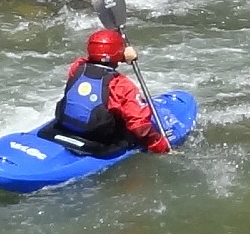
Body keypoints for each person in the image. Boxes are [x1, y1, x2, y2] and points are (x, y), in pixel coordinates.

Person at [42, 30, 170, 156]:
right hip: (99, 138)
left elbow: (89, 61)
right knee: (127, 121)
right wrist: (162, 147)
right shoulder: (122, 85)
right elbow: (140, 127)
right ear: (120, 53)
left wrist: (115, 54)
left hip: (66, 127)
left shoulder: (76, 69)